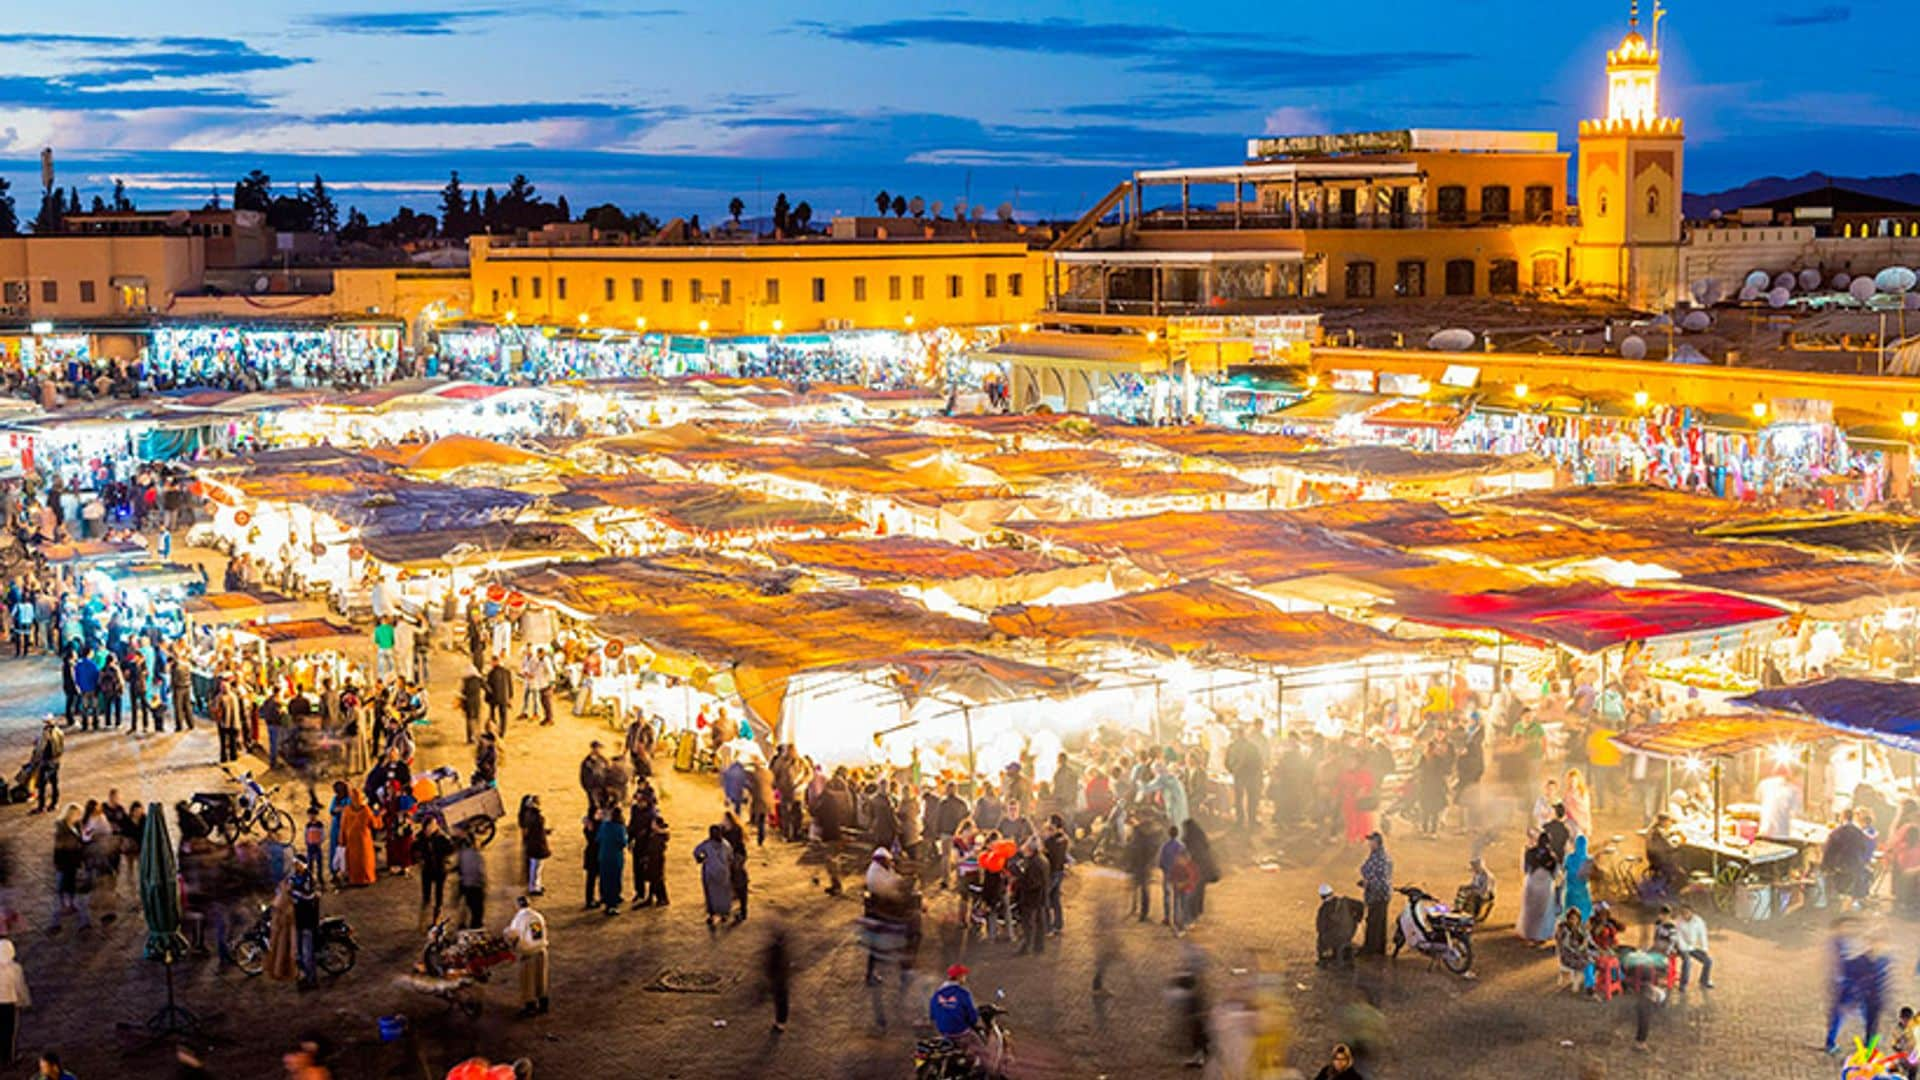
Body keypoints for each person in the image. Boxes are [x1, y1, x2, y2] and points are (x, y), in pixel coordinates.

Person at [504, 895, 549, 1017]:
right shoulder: (537, 915)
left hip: (528, 953)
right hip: (541, 950)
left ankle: (530, 1007)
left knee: (528, 981)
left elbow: (513, 935)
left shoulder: (519, 918)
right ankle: (543, 1003)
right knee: (541, 978)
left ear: (518, 905)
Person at [929, 964, 984, 1060]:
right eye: (964, 975)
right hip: (959, 1032)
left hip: (943, 1031)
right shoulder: (963, 993)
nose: (965, 978)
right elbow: (972, 1017)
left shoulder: (937, 993)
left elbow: (932, 1015)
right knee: (980, 1047)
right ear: (959, 977)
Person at [1519, 833, 1560, 944]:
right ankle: (1541, 934)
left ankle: (1529, 932)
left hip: (1531, 882)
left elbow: (1525, 869)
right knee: (1544, 910)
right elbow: (1555, 873)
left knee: (1530, 909)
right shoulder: (1552, 856)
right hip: (1545, 884)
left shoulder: (1530, 853)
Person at [288, 857, 321, 989]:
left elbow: (308, 896)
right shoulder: (295, 877)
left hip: (307, 921)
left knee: (307, 954)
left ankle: (312, 979)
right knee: (299, 954)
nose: (295, 866)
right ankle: (303, 978)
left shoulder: (308, 879)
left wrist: (293, 893)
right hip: (298, 920)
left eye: (297, 864)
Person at [694, 824, 734, 930]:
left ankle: (712, 915)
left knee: (710, 894)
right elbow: (731, 857)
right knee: (723, 894)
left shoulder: (706, 844)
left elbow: (696, 852)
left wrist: (701, 859)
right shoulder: (726, 844)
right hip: (723, 873)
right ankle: (724, 914)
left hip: (710, 873)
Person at [415, 817, 453, 930]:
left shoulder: (442, 838)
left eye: (433, 826)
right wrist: (419, 859)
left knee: (438, 896)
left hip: (440, 870)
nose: (430, 829)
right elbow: (414, 850)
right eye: (428, 827)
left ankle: (436, 921)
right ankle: (423, 921)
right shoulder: (420, 837)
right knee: (426, 896)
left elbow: (451, 849)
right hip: (427, 870)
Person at [1314, 884, 1364, 969]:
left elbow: (1320, 928)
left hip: (1335, 937)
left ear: (1321, 897)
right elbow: (1361, 905)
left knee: (1321, 938)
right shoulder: (1345, 901)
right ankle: (1342, 951)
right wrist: (1357, 918)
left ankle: (1323, 959)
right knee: (1335, 932)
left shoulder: (1323, 909)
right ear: (1332, 893)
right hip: (1349, 933)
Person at [1359, 832, 1392, 956]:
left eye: (1371, 841)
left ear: (1377, 843)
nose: (1369, 844)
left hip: (1378, 894)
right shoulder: (1379, 856)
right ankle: (1379, 948)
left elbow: (1380, 879)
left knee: (1373, 922)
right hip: (1382, 894)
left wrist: (1368, 883)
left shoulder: (1380, 859)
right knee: (1380, 922)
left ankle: (1370, 949)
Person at [340, 789, 381, 887]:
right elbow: (375, 824)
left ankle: (354, 879)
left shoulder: (347, 810)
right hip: (364, 840)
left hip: (351, 839)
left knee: (353, 860)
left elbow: (343, 826)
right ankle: (366, 878)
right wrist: (378, 815)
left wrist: (342, 839)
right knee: (365, 860)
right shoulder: (366, 810)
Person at [0, 939, 28, 1065]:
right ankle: (8, 1058)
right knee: (8, 1031)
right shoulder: (15, 968)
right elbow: (20, 986)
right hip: (8, 1003)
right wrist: (24, 1001)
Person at [594, 807, 627, 915]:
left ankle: (605, 898)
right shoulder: (620, 828)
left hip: (603, 856)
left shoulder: (604, 826)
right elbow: (623, 842)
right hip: (615, 858)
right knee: (615, 880)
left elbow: (598, 839)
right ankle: (612, 904)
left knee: (605, 879)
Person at [1672, 903, 1714, 989]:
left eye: (1687, 912)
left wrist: (1704, 948)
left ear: (1692, 912)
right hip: (1681, 946)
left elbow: (1703, 935)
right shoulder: (1679, 921)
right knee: (1687, 961)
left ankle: (1704, 981)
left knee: (1708, 961)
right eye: (1683, 913)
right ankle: (1683, 984)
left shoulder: (1698, 921)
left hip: (1693, 947)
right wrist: (1683, 948)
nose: (1685, 915)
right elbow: (1678, 936)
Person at [519, 795, 550, 897]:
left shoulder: (529, 816)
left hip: (535, 844)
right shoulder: (535, 816)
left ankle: (537, 885)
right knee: (536, 867)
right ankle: (534, 887)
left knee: (537, 867)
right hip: (537, 845)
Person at [1555, 908, 1592, 992]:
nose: (1573, 921)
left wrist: (1586, 937)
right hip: (1567, 955)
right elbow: (1565, 945)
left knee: (1591, 960)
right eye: (1572, 919)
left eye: (1576, 919)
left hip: (1577, 953)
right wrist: (1579, 948)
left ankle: (1586, 983)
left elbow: (1585, 941)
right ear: (1568, 919)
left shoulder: (1577, 928)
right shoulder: (1564, 929)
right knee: (1584, 963)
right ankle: (1577, 985)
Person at [764, 920, 792, 1033]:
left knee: (780, 999)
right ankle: (780, 1022)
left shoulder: (776, 949)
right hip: (780, 978)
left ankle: (780, 1023)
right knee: (780, 999)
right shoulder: (780, 949)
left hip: (779, 979)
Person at [457, 833, 488, 929]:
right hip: (475, 887)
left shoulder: (462, 853)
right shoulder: (477, 856)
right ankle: (474, 930)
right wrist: (484, 885)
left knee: (465, 907)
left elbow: (459, 869)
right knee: (477, 913)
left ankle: (462, 926)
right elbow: (480, 872)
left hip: (465, 885)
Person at [1562, 834, 1594, 922]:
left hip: (1571, 890)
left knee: (1570, 912)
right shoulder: (1589, 860)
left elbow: (1564, 869)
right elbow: (1589, 876)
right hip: (1583, 891)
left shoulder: (1569, 857)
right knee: (1584, 913)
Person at [485, 655, 513, 740]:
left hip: (494, 697)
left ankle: (493, 731)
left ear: (494, 662)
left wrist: (487, 698)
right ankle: (502, 732)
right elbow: (510, 685)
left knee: (492, 715)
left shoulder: (491, 673)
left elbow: (488, 687)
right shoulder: (507, 672)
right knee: (503, 715)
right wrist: (510, 696)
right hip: (504, 697)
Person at [459, 665, 486, 745]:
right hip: (477, 702)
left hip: (468, 702)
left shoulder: (465, 681)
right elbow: (486, 688)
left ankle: (470, 737)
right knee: (478, 719)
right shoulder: (479, 679)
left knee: (469, 720)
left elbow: (462, 692)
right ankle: (478, 736)